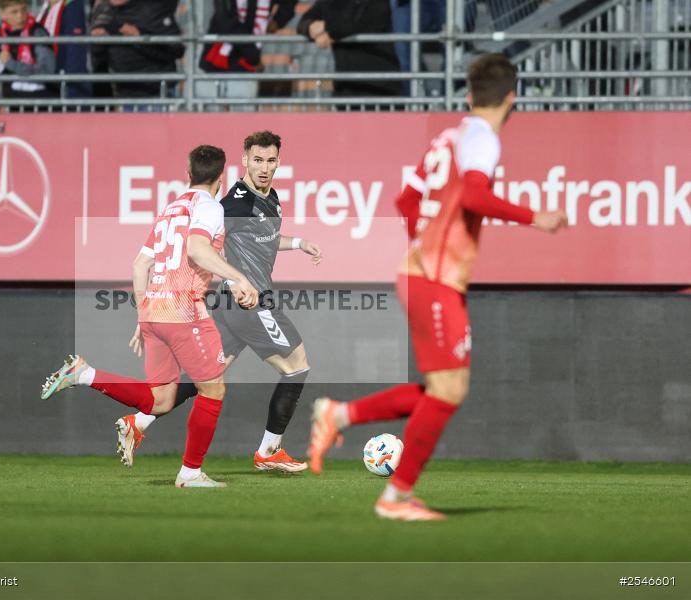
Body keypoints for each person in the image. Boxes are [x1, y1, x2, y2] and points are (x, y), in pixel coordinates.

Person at [307, 53, 568, 521]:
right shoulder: (482, 139)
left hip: (422, 274)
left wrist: (423, 246)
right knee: (449, 388)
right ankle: (394, 496)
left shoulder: (448, 137)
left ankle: (341, 416)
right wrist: (537, 218)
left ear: (469, 95)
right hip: (433, 278)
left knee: (444, 386)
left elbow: (406, 199)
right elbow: (473, 195)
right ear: (512, 97)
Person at [41, 145, 259, 488]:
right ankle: (189, 473)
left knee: (162, 399)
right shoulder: (209, 207)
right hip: (185, 309)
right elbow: (197, 249)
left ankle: (84, 374)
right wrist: (237, 277)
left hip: (155, 309)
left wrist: (144, 315)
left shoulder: (170, 209)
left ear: (187, 173)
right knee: (212, 389)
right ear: (222, 178)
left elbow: (140, 264)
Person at [116, 131, 322, 472]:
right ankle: (269, 451)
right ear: (244, 160)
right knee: (297, 365)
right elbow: (202, 241)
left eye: (270, 160)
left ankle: (138, 423)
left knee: (207, 376)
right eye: (257, 160)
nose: (264, 167)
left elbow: (264, 239)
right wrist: (230, 280)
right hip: (249, 301)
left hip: (232, 305)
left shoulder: (271, 198)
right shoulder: (234, 203)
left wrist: (299, 242)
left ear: (278, 162)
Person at [298, 0, 404, 109]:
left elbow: (363, 24)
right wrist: (310, 27)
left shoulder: (380, 2)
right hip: (346, 89)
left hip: (382, 91)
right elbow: (303, 22)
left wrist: (328, 30)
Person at [197, 0, 296, 110]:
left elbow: (289, 4)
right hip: (215, 60)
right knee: (209, 122)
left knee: (244, 123)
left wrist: (278, 21)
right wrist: (252, 55)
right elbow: (225, 21)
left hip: (244, 67)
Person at [89, 0, 184, 108]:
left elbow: (176, 49)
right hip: (122, 95)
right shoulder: (103, 9)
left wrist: (139, 38)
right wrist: (97, 43)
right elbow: (97, 59)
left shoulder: (155, 7)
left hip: (156, 96)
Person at [0, 0, 58, 103]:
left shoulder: (37, 33)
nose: (20, 16)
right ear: (2, 14)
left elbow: (46, 72)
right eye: (14, 12)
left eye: (24, 10)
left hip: (41, 101)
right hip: (11, 100)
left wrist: (11, 64)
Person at [37, 0, 92, 100]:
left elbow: (75, 54)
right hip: (52, 82)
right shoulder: (46, 7)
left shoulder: (72, 7)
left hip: (69, 87)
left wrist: (71, 87)